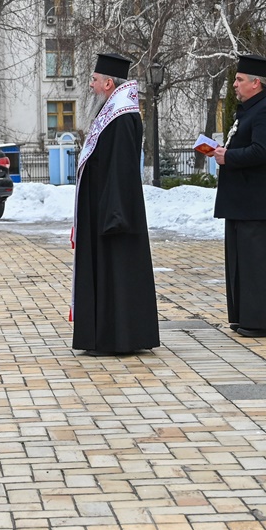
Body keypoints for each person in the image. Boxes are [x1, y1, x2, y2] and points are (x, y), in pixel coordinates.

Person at [204, 54, 266, 337]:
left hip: (257, 199)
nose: (234, 85)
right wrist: (222, 152)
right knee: (243, 261)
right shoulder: (251, 109)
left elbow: (262, 152)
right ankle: (246, 315)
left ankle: (263, 321)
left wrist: (228, 157)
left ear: (255, 83)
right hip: (243, 198)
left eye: (239, 80)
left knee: (258, 263)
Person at [71, 52, 162, 356]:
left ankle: (116, 338)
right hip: (104, 207)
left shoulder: (121, 117)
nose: (91, 85)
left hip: (113, 212)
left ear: (108, 83)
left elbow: (121, 170)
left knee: (117, 275)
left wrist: (114, 213)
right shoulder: (113, 113)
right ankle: (105, 335)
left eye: (94, 80)